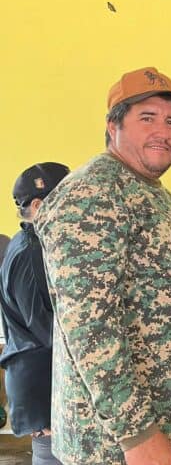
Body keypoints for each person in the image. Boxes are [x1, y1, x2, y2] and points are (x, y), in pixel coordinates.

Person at [33, 67, 171, 465]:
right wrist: (138, 435)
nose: (163, 131)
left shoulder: (147, 190)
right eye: (147, 118)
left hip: (170, 426)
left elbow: (160, 297)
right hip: (119, 447)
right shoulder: (93, 194)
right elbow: (90, 327)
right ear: (113, 126)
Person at [0, 163, 70, 464]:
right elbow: (46, 329)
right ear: (40, 206)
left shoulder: (34, 243)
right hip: (42, 384)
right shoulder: (31, 252)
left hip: (42, 378)